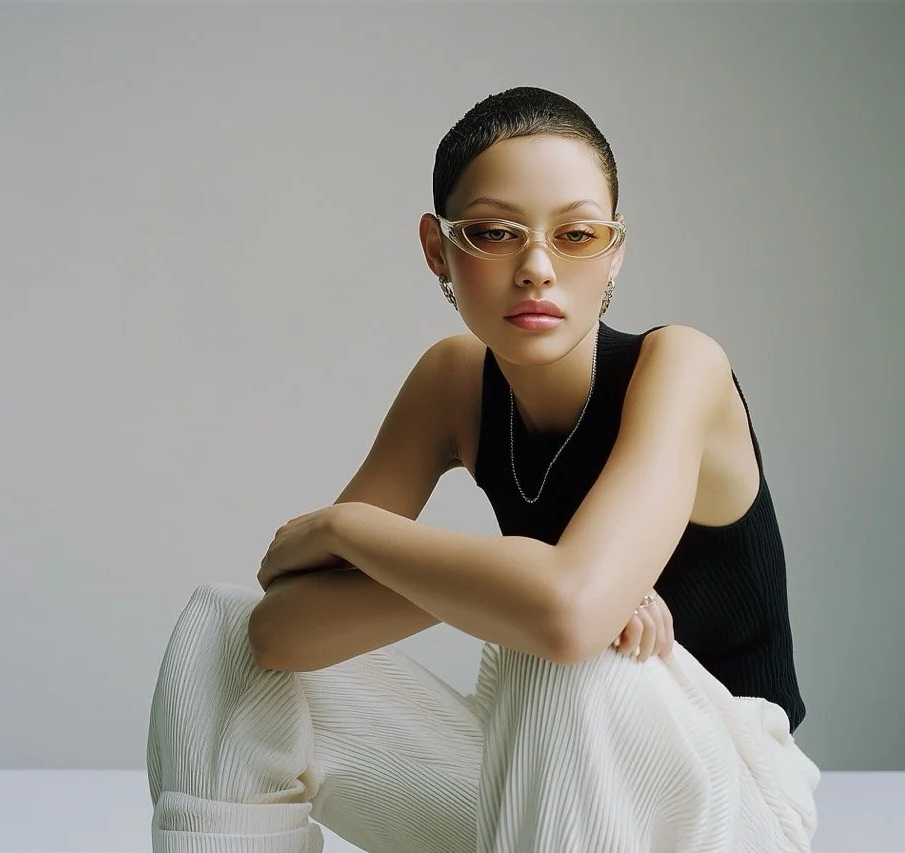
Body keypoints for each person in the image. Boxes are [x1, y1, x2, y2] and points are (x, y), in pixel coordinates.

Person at [146, 86, 821, 853]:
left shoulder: (682, 365)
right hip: (540, 776)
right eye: (495, 233)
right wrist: (517, 584)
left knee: (561, 653)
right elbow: (282, 634)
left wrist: (348, 528)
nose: (536, 269)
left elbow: (567, 617)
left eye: (576, 234)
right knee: (223, 634)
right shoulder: (454, 381)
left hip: (735, 795)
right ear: (439, 249)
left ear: (614, 252)